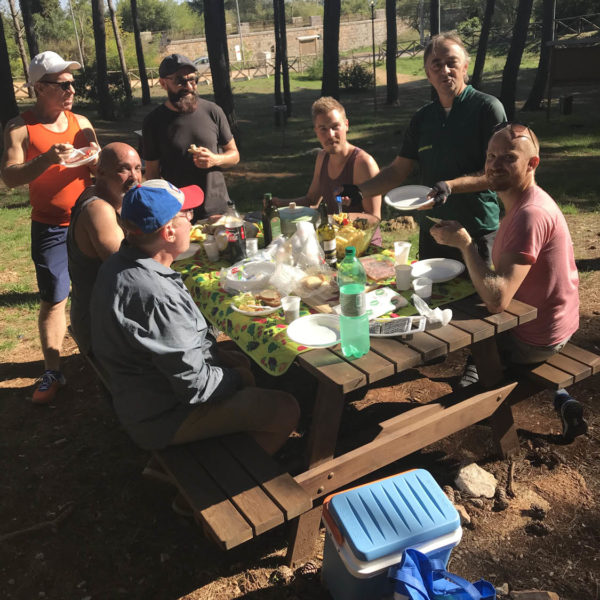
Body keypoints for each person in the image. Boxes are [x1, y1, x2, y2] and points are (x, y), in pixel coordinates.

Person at [90, 179, 300, 457]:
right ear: (169, 232)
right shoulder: (155, 294)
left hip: (145, 393)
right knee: (285, 408)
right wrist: (237, 377)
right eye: (186, 215)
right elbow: (196, 387)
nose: (193, 221)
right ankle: (220, 489)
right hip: (164, 417)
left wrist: (226, 362)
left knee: (242, 359)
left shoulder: (125, 264)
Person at [430, 123, 586, 442]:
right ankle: (561, 396)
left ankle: (480, 401)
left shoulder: (530, 214)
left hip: (537, 338)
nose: (495, 164)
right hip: (555, 322)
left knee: (461, 328)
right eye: (491, 155)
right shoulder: (523, 201)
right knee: (468, 311)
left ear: (532, 164)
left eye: (508, 157)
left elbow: (497, 300)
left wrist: (465, 245)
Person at [346, 33, 506, 264]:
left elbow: (498, 174)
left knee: (479, 299)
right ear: (428, 73)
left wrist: (450, 186)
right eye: (437, 65)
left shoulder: (488, 109)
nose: (445, 70)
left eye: (452, 62)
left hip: (475, 231)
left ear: (465, 66)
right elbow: (398, 170)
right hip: (434, 229)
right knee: (433, 298)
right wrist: (360, 191)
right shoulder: (422, 118)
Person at [1, 50, 99, 404]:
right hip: (50, 227)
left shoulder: (81, 121)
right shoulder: (20, 126)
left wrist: (99, 161)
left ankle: (104, 354)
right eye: (63, 84)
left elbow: (96, 165)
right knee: (55, 298)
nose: (71, 90)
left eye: (73, 83)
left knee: (101, 288)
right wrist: (46, 159)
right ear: (40, 88)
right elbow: (10, 177)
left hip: (90, 220)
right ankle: (53, 370)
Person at [142, 53, 240, 220]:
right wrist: (164, 211)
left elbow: (234, 155)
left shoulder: (213, 111)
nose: (188, 86)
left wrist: (215, 159)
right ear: (163, 83)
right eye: (180, 81)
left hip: (218, 210)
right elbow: (152, 174)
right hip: (179, 214)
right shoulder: (153, 122)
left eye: (192, 79)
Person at [67, 143, 143, 355]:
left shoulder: (114, 198)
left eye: (138, 168)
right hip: (99, 326)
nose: (134, 177)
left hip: (113, 314)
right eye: (124, 169)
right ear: (100, 172)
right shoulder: (98, 209)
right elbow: (128, 271)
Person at [274, 96, 381, 219]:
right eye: (323, 129)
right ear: (316, 131)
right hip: (332, 235)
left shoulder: (363, 164)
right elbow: (312, 199)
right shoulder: (322, 157)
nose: (330, 135)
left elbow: (374, 218)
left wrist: (333, 219)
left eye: (335, 127)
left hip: (362, 237)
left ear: (346, 125)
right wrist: (279, 204)